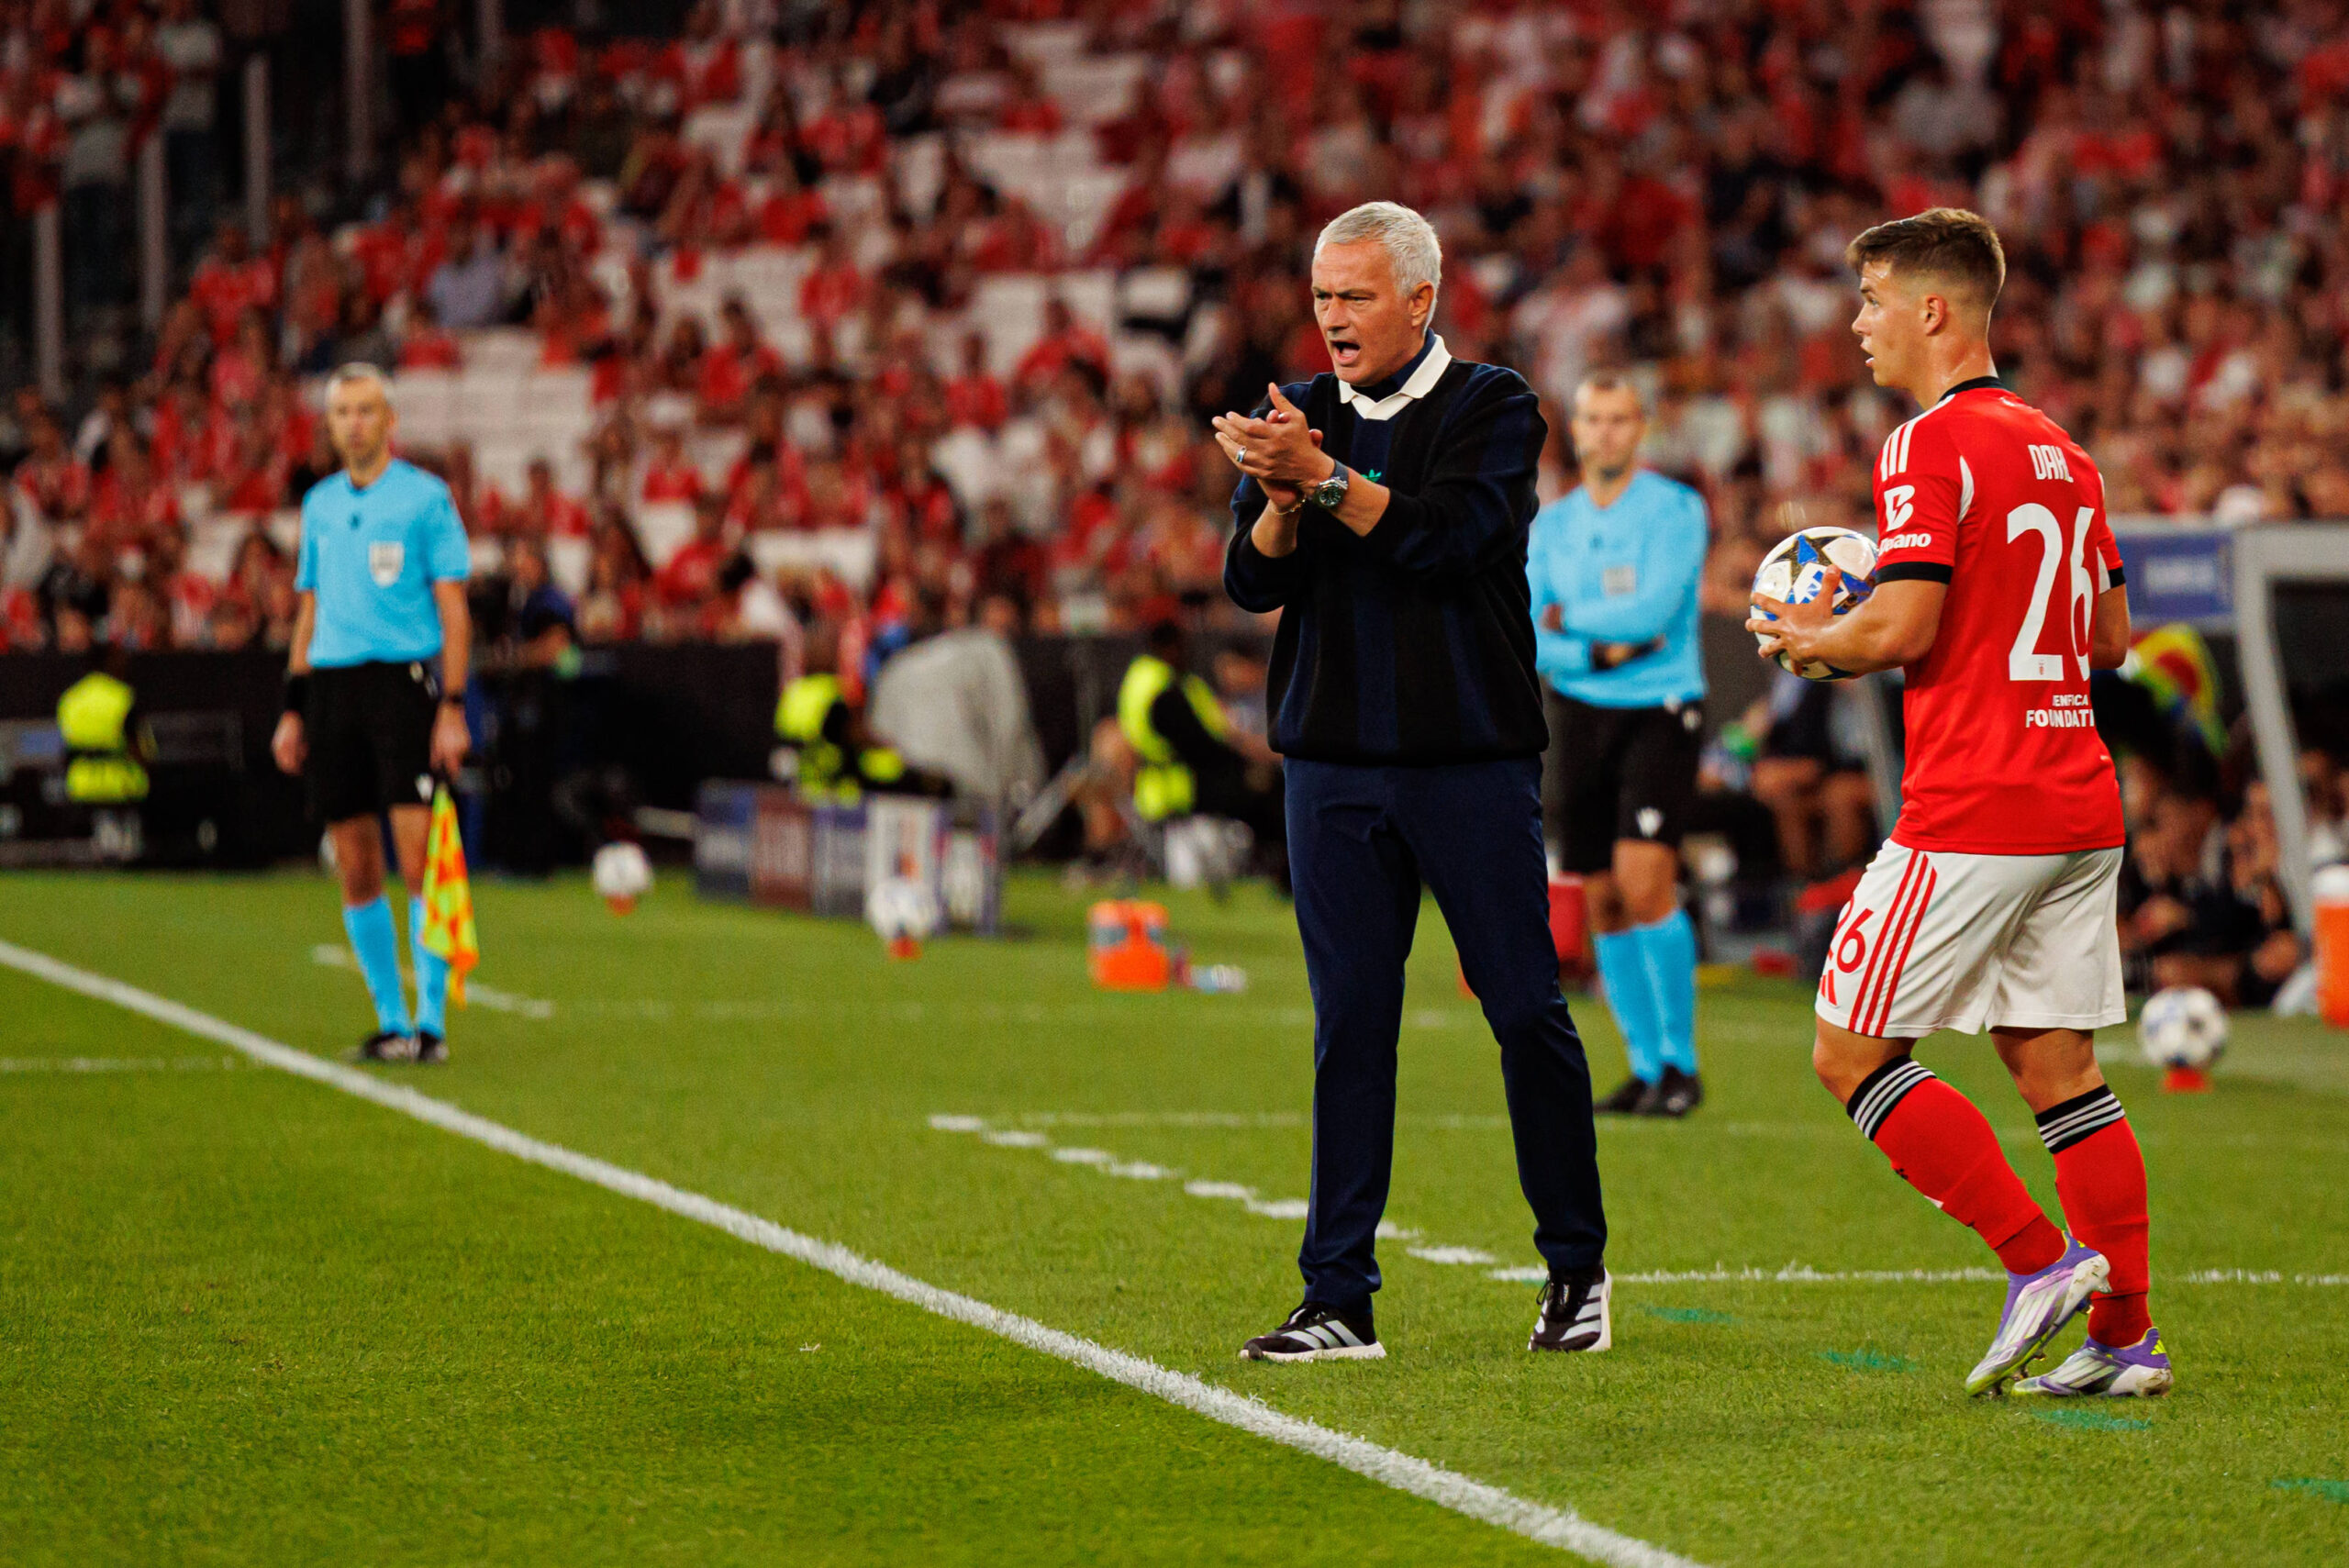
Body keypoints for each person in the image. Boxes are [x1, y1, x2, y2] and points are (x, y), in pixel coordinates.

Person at [1749, 209, 2165, 1398]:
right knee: (2060, 1070)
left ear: (1933, 310)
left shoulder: (1925, 443)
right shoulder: (2066, 454)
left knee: (1849, 1050)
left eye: (1871, 298)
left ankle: (2039, 1261)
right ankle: (2125, 1339)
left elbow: (1901, 625)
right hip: (2077, 800)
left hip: (1975, 804)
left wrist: (1809, 641)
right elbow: (2110, 636)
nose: (1857, 322)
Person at [1216, 201, 1610, 1361]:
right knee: (1350, 1024)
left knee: (1524, 1009)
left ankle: (1575, 1266)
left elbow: (1448, 540)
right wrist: (1281, 502)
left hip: (1466, 762)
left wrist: (1319, 477)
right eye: (1321, 296)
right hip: (1330, 764)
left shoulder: (1494, 406)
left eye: (1355, 295)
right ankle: (1337, 1296)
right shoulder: (1301, 411)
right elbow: (1249, 582)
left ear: (1421, 300)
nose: (1332, 317)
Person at [272, 365, 473, 1065]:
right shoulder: (321, 504)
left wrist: (451, 705)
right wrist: (293, 708)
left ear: (390, 419)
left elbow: (453, 608)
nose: (354, 423)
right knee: (356, 863)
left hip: (401, 686)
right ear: (329, 426)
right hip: (332, 689)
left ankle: (431, 1023)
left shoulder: (425, 498)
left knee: (418, 858)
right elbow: (310, 608)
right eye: (343, 412)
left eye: (366, 410)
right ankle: (390, 1020)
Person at [1529, 373, 1709, 1117]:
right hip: (1579, 712)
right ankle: (1643, 1065)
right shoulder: (1552, 525)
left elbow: (1655, 611)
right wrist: (1595, 651)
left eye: (1618, 419)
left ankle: (1682, 1065)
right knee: (1601, 896)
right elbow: (1532, 629)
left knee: (1644, 883)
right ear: (1575, 430)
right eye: (1592, 419)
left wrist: (1574, 621)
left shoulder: (1677, 509)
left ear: (1641, 428)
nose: (1604, 432)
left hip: (1659, 709)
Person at [1115, 618, 1286, 878]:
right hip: (1181, 784)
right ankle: (1281, 869)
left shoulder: (1139, 678)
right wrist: (1244, 764)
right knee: (1266, 793)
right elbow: (1198, 745)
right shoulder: (1165, 687)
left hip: (1156, 783)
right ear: (1170, 647)